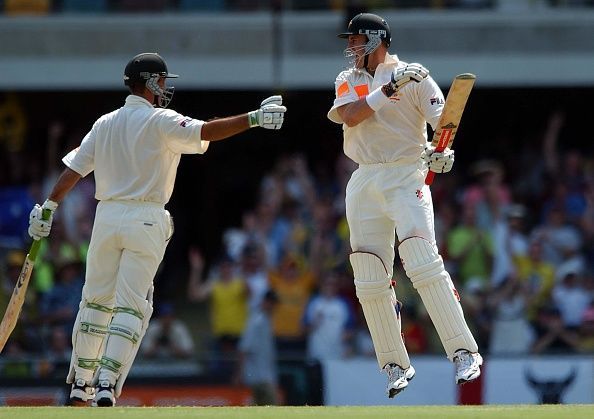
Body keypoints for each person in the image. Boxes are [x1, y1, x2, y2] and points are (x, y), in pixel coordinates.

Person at [26, 52, 286, 407]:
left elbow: (73, 171)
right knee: (131, 305)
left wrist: (49, 207)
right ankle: (105, 384)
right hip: (145, 217)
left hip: (106, 217)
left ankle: (79, 384)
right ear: (150, 83)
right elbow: (206, 131)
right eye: (162, 81)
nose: (165, 88)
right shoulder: (161, 120)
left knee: (95, 302)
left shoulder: (105, 123)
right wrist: (254, 117)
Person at [327, 13, 482, 398]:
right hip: (364, 178)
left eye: (357, 40)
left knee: (422, 260)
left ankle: (463, 352)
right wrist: (386, 88)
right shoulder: (348, 80)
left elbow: (442, 123)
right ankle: (394, 362)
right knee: (368, 274)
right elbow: (351, 115)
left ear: (378, 39)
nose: (351, 47)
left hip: (405, 175)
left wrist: (440, 153)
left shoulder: (416, 76)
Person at [237, 289, 279, 406]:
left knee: (259, 409)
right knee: (273, 409)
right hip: (259, 376)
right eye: (272, 303)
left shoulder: (266, 320)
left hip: (264, 375)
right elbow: (243, 348)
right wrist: (239, 373)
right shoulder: (256, 320)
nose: (273, 306)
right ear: (265, 302)